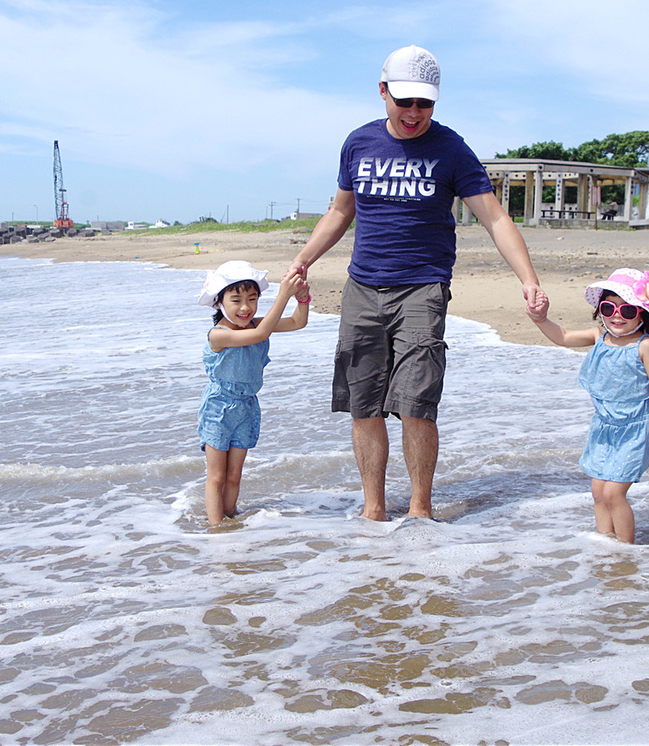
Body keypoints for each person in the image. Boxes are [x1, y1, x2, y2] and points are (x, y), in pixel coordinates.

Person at [287, 44, 541, 521]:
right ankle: (373, 510)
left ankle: (421, 510)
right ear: (383, 92)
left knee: (417, 404)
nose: (414, 113)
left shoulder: (450, 149)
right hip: (362, 286)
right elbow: (341, 212)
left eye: (424, 103)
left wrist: (528, 278)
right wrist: (303, 259)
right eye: (404, 101)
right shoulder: (358, 143)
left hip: (423, 288)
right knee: (364, 405)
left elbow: (494, 217)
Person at [526, 269, 649, 544]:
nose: (617, 316)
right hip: (604, 426)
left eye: (627, 311)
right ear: (599, 310)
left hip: (637, 427)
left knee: (614, 493)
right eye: (609, 308)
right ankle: (606, 545)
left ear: (642, 314)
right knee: (597, 492)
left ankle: (627, 551)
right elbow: (563, 336)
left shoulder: (645, 346)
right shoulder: (597, 336)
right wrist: (541, 319)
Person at [197, 260, 310, 526]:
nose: (245, 307)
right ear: (218, 303)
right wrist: (283, 294)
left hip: (246, 408)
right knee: (217, 476)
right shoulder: (218, 335)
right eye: (236, 300)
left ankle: (230, 518)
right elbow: (260, 335)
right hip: (219, 408)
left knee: (234, 475)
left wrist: (302, 300)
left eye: (252, 298)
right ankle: (216, 532)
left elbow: (297, 322)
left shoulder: (258, 325)